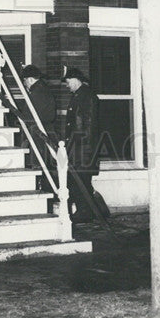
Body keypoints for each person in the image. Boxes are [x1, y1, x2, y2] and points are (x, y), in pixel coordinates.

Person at [63, 65, 110, 224]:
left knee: (80, 180)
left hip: (83, 148)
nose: (67, 85)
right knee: (80, 181)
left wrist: (85, 151)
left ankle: (86, 212)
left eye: (68, 81)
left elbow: (89, 126)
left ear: (76, 80)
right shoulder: (78, 95)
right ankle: (97, 210)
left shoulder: (87, 96)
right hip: (77, 147)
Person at [20, 65, 57, 176]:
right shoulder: (42, 89)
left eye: (25, 80)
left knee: (38, 162)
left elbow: (30, 114)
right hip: (43, 129)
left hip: (38, 132)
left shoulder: (37, 92)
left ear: (30, 79)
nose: (24, 83)